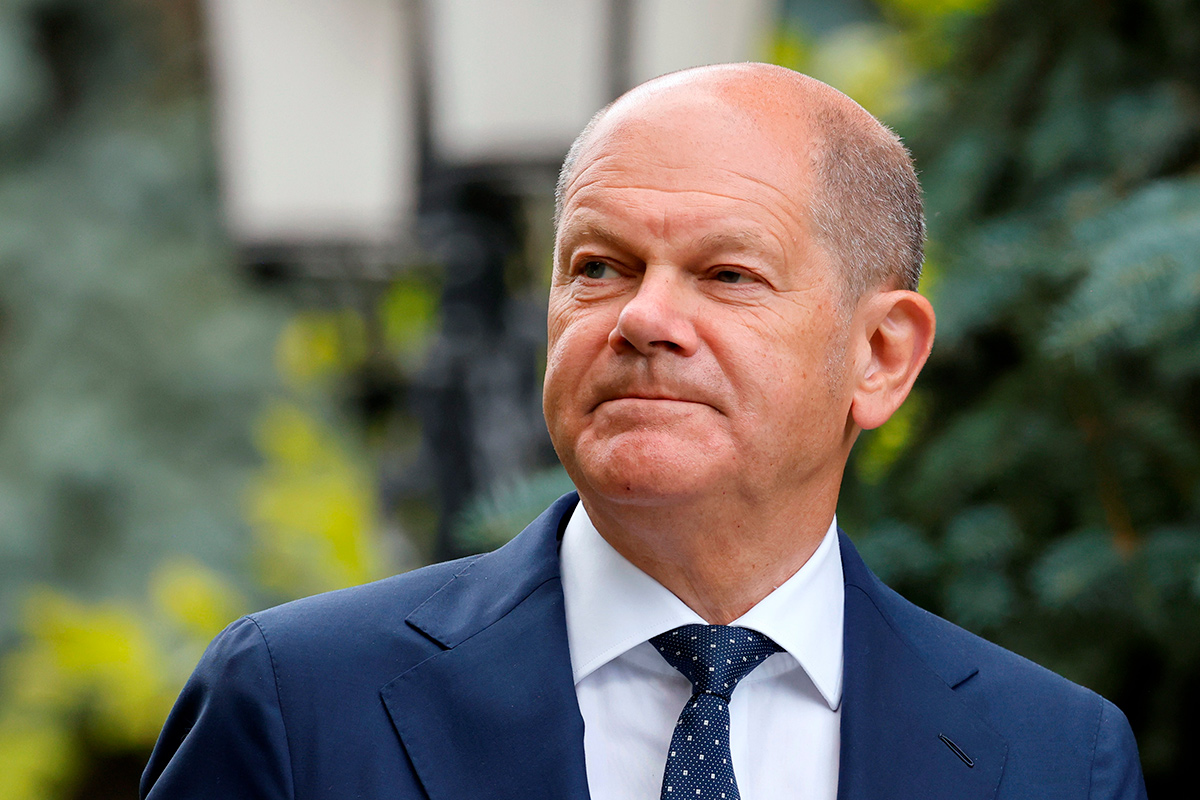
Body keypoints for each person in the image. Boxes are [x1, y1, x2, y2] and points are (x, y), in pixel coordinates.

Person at [141, 63, 1148, 800]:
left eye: (727, 274)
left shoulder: (1056, 759)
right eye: (599, 267)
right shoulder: (298, 705)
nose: (643, 317)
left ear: (880, 355)